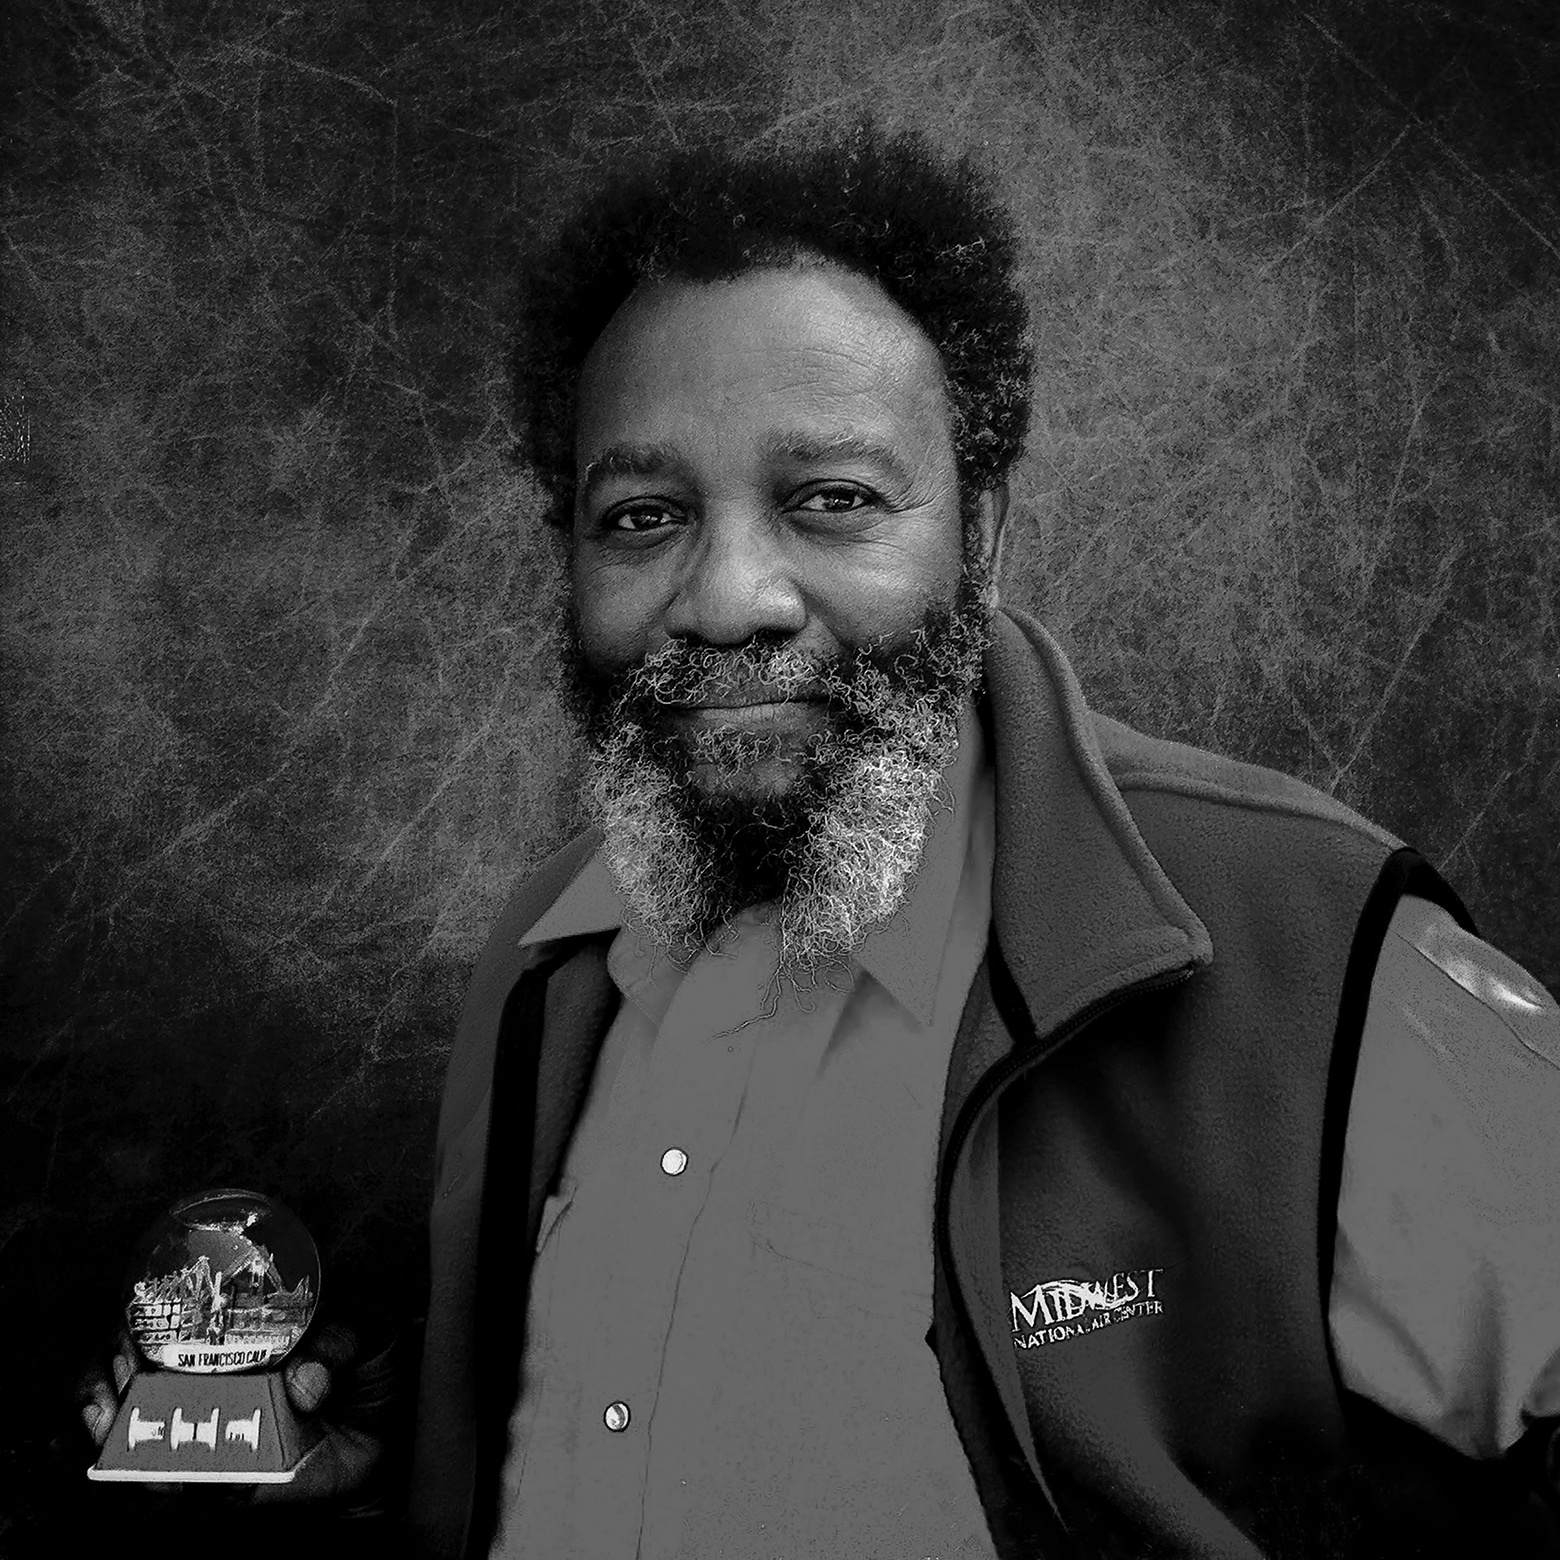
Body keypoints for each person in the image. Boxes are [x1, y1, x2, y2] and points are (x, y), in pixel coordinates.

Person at [85, 126, 1560, 1559]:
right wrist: (399, 1473)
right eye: (643, 514)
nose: (729, 596)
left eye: (833, 501)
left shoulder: (1321, 966)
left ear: (979, 536)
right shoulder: (545, 970)